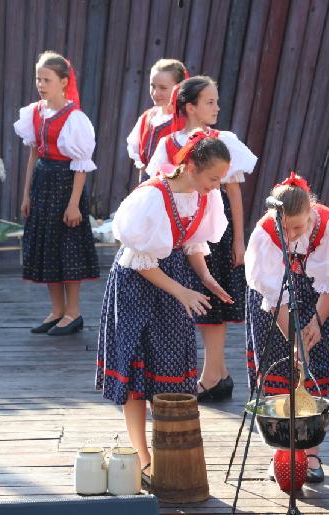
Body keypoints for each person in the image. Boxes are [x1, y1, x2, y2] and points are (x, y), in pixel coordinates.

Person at [96, 133, 233, 482]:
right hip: (138, 286)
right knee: (138, 373)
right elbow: (140, 261)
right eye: (213, 178)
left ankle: (168, 453)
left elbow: (192, 244)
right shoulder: (151, 198)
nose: (216, 186)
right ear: (189, 167)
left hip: (173, 282)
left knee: (169, 370)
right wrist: (183, 293)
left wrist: (205, 279)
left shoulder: (203, 197)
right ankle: (143, 459)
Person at [146, 76, 257, 402]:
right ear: (190, 106)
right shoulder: (168, 145)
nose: (216, 107)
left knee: (213, 299)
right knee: (192, 298)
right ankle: (218, 373)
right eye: (209, 102)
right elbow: (159, 189)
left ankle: (211, 373)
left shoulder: (222, 141)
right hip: (180, 230)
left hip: (213, 226)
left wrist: (239, 239)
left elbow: (233, 190)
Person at [245, 172, 329, 483]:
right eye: (285, 228)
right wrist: (294, 339)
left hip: (319, 302)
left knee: (314, 373)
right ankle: (283, 453)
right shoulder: (266, 234)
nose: (290, 235)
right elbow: (273, 294)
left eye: (298, 227)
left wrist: (315, 323)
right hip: (274, 308)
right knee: (282, 373)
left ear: (311, 212)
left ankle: (311, 452)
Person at [14, 51, 100, 336]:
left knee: (68, 249)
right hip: (43, 183)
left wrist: (74, 204)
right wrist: (27, 194)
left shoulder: (74, 118)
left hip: (65, 186)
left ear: (63, 82)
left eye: (47, 79)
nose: (41, 84)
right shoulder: (35, 112)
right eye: (38, 78)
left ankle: (73, 312)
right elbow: (34, 155)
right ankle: (57, 310)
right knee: (47, 248)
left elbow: (81, 166)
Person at [126, 58, 188, 182]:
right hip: (150, 188)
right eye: (152, 86)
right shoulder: (147, 118)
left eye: (163, 88)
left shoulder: (186, 123)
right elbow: (143, 167)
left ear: (179, 88)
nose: (155, 93)